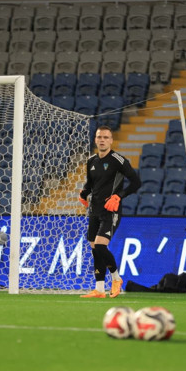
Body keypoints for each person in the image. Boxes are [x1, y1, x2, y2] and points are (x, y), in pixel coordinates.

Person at [78, 125, 141, 298]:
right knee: (94, 248)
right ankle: (99, 289)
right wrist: (84, 193)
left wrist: (119, 196)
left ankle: (116, 278)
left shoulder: (118, 160)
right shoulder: (91, 161)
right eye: (99, 137)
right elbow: (91, 184)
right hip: (94, 210)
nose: (102, 140)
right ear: (95, 139)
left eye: (106, 137)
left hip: (110, 211)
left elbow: (136, 182)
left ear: (111, 141)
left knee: (100, 245)